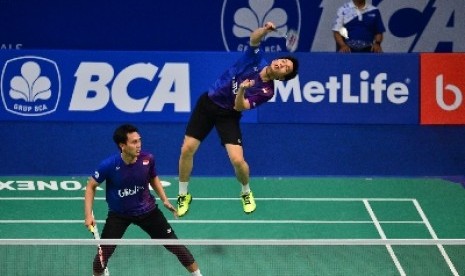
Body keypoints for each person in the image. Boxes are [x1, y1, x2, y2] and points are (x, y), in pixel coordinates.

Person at [176, 22, 299, 217]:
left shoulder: (267, 92)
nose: (282, 64)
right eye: (283, 61)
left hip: (229, 114)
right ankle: (183, 194)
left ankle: (246, 192)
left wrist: (242, 89)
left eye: (286, 68)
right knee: (187, 149)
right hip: (208, 103)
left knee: (238, 160)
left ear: (282, 78)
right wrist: (265, 30)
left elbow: (240, 106)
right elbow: (254, 39)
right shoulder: (256, 58)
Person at [84, 124, 202, 276]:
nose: (138, 145)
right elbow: (90, 187)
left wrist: (164, 199)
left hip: (148, 211)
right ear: (122, 146)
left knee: (177, 247)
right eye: (134, 142)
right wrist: (88, 215)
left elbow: (153, 177)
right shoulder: (109, 165)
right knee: (101, 259)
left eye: (139, 141)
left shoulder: (147, 159)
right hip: (119, 214)